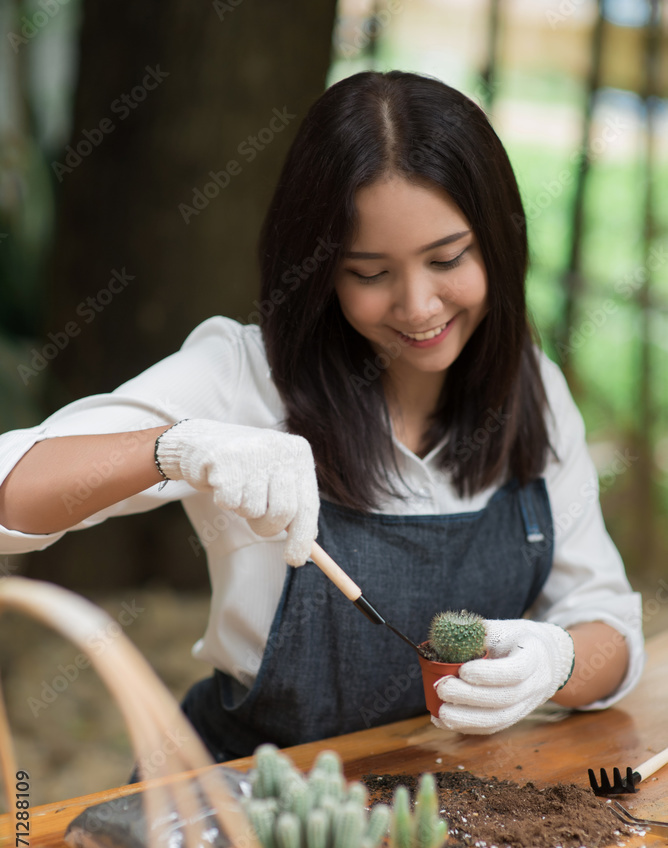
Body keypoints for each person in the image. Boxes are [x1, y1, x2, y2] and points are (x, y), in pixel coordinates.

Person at [0, 70, 643, 764]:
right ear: (320, 270)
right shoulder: (244, 376)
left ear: (498, 241)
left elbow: (610, 628)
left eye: (448, 258)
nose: (419, 305)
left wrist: (556, 659)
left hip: (449, 802)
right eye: (370, 273)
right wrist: (177, 448)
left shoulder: (534, 392)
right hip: (249, 799)